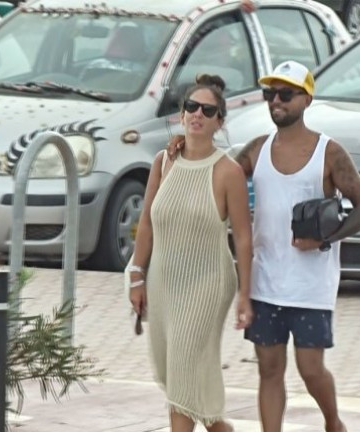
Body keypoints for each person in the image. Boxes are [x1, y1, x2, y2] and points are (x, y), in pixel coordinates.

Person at [168, 60, 360, 432]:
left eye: (286, 94)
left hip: (312, 286)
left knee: (311, 370)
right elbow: (215, 174)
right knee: (269, 370)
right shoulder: (257, 149)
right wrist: (187, 144)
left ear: (307, 99)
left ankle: (333, 423)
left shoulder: (328, 152)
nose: (276, 101)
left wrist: (325, 238)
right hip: (266, 281)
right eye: (270, 94)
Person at [128, 74, 254, 432]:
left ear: (219, 122)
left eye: (208, 110)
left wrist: (246, 296)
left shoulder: (228, 172)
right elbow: (147, 224)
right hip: (163, 282)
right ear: (181, 115)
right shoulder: (163, 162)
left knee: (183, 374)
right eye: (191, 106)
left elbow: (243, 239)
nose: (197, 113)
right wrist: (136, 277)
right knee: (178, 378)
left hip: (208, 284)